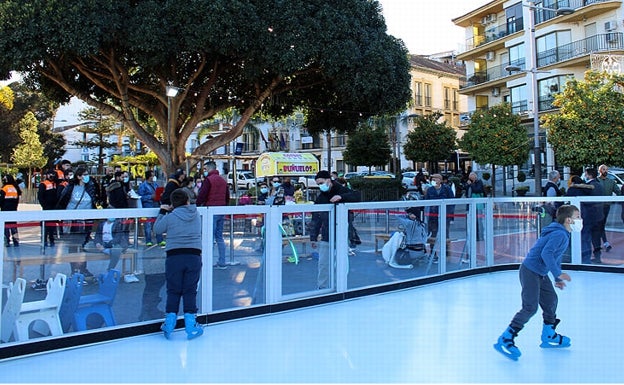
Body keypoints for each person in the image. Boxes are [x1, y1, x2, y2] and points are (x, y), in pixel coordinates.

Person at [493, 204, 580, 361]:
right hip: (530, 271)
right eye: (577, 217)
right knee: (530, 307)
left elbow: (555, 256)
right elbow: (547, 253)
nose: (580, 220)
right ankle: (506, 338)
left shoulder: (562, 233)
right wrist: (558, 273)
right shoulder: (559, 234)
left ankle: (549, 334)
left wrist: (556, 277)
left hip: (540, 272)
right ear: (568, 220)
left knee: (551, 300)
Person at [153, 188, 203, 340]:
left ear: (173, 204)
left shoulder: (171, 217)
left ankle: (169, 323)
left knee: (173, 290)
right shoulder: (197, 215)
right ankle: (191, 324)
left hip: (174, 257)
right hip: (193, 256)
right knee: (190, 290)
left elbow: (157, 229)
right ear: (188, 201)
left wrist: (163, 211)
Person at [309, 170, 361, 289]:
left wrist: (341, 197)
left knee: (342, 262)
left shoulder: (342, 190)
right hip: (327, 234)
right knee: (323, 263)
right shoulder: (321, 197)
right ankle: (322, 287)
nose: (320, 186)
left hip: (342, 233)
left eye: (321, 182)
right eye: (318, 184)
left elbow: (357, 196)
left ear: (329, 180)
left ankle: (341, 286)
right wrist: (313, 236)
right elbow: (316, 218)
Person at [57, 166, 101, 277]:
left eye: (87, 174)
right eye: (84, 175)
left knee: (83, 245)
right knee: (73, 245)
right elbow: (63, 200)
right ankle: (74, 269)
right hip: (74, 220)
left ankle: (83, 268)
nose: (87, 177)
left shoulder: (90, 186)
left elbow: (95, 200)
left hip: (87, 220)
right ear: (79, 176)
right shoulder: (71, 187)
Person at [196, 161, 229, 269]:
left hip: (210, 210)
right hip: (221, 209)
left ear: (209, 169)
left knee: (208, 237)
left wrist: (197, 205)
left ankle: (206, 261)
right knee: (219, 237)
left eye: (205, 169)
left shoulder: (208, 180)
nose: (204, 171)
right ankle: (222, 261)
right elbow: (227, 196)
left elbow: (202, 195)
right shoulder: (223, 180)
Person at [581, 168, 605, 263]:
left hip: (589, 216)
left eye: (586, 174)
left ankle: (586, 257)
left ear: (589, 175)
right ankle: (597, 256)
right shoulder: (600, 185)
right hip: (599, 216)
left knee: (586, 237)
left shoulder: (588, 186)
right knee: (596, 237)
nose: (585, 176)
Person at [596, 164, 620, 252]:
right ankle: (603, 243)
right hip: (596, 207)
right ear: (599, 171)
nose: (605, 171)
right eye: (603, 169)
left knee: (601, 225)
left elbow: (618, 192)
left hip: (606, 206)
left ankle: (603, 244)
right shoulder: (595, 181)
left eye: (606, 169)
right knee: (598, 225)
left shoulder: (611, 182)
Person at [138, 170, 164, 247]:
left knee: (158, 222)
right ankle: (148, 240)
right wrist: (150, 197)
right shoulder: (143, 186)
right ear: (148, 177)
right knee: (148, 224)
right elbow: (140, 197)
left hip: (156, 204)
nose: (153, 177)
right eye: (152, 176)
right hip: (148, 205)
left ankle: (160, 239)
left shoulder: (155, 185)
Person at [38, 169, 59, 247]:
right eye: (50, 174)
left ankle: (52, 239)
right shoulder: (43, 184)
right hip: (47, 208)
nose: (51, 176)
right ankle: (44, 240)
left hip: (54, 208)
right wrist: (44, 206)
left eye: (53, 174)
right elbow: (40, 197)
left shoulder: (55, 184)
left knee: (52, 225)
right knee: (46, 225)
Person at [0, 174, 22, 247]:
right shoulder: (15, 188)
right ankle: (16, 241)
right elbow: (17, 199)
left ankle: (7, 241)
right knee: (13, 226)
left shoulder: (4, 188)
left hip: (5, 209)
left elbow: (1, 200)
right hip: (13, 209)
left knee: (6, 226)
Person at [464, 172, 485, 241]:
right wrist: (467, 185)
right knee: (471, 220)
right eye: (470, 177)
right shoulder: (469, 182)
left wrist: (471, 184)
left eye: (473, 176)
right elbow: (466, 191)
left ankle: (480, 236)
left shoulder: (479, 182)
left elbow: (477, 190)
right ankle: (473, 235)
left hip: (478, 204)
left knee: (479, 220)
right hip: (470, 203)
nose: (471, 178)